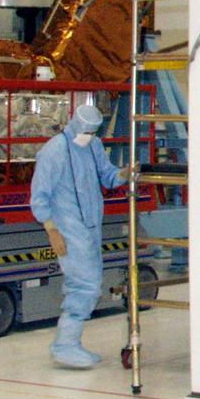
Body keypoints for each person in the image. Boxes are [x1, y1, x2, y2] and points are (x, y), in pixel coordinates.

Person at [30, 103, 128, 368]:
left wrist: (123, 174)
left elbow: (107, 177)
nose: (88, 135)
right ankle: (65, 345)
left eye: (93, 132)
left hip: (90, 226)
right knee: (83, 284)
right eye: (85, 131)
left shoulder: (93, 146)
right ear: (74, 124)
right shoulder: (54, 151)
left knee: (90, 283)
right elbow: (40, 195)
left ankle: (70, 343)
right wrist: (51, 229)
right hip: (68, 228)